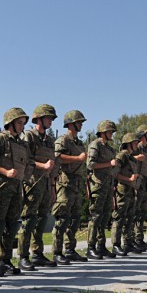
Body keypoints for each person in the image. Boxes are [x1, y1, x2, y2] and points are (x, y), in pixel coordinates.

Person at [0, 108, 29, 277]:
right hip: (0, 189)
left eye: (23, 123)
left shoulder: (21, 143)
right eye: (19, 122)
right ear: (10, 123)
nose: (22, 125)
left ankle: (5, 260)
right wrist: (5, 171)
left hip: (16, 188)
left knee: (11, 226)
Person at [19, 104, 61, 270]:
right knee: (29, 220)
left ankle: (37, 254)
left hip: (45, 185)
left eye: (51, 118)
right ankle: (23, 256)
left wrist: (52, 186)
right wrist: (42, 166)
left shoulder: (50, 141)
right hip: (31, 183)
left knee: (42, 219)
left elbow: (53, 166)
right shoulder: (29, 137)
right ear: (39, 119)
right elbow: (25, 159)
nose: (51, 121)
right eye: (48, 118)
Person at [52, 110, 88, 262]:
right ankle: (57, 252)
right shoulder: (63, 140)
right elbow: (57, 156)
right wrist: (77, 158)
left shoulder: (78, 143)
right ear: (71, 124)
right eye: (79, 122)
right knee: (62, 219)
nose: (81, 124)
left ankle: (70, 249)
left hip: (77, 184)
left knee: (74, 219)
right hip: (65, 184)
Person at [86, 120, 118, 259]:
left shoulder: (110, 149)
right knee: (95, 216)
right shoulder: (95, 145)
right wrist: (108, 164)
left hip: (107, 186)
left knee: (105, 217)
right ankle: (90, 247)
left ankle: (101, 245)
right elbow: (90, 165)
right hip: (97, 185)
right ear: (103, 132)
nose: (112, 134)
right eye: (110, 131)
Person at [111, 133, 141, 256]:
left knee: (130, 217)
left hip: (130, 190)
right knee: (119, 217)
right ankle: (116, 244)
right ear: (128, 143)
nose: (136, 144)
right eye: (134, 142)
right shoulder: (122, 156)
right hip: (122, 190)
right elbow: (114, 173)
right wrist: (129, 179)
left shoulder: (131, 157)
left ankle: (128, 243)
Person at [132, 125, 147, 251]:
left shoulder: (146, 150)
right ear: (142, 135)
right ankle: (134, 239)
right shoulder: (137, 147)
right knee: (135, 212)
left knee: (141, 212)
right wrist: (136, 157)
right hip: (137, 183)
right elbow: (124, 158)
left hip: (144, 182)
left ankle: (139, 239)